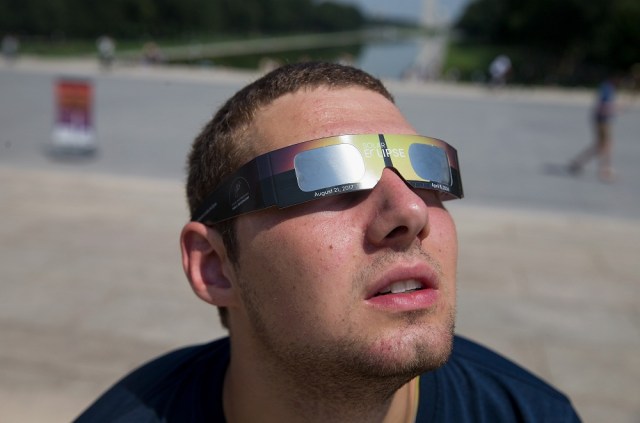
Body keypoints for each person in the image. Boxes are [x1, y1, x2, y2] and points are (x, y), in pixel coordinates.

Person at [75, 61, 581, 422]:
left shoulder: (532, 413)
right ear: (215, 265)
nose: (409, 211)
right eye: (327, 177)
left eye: (427, 173)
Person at [568, 75, 619, 182]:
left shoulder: (608, 87)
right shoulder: (607, 88)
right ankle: (605, 169)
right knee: (605, 145)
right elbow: (602, 105)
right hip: (602, 121)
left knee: (602, 145)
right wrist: (612, 110)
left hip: (603, 120)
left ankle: (578, 162)